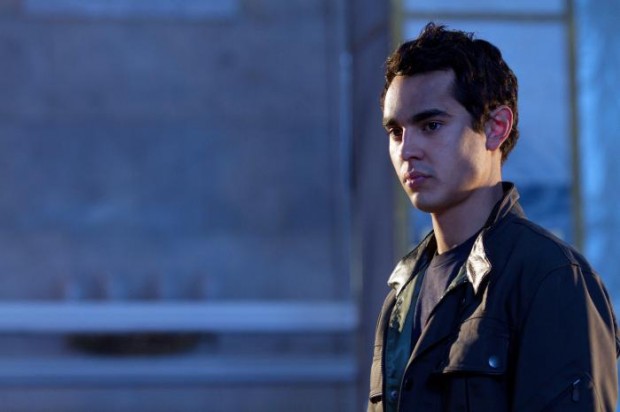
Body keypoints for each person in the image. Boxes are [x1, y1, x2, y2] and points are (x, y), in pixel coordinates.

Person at [368, 22, 620, 412]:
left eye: (431, 125)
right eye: (396, 132)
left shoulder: (550, 277)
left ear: (495, 128)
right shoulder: (402, 294)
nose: (407, 150)